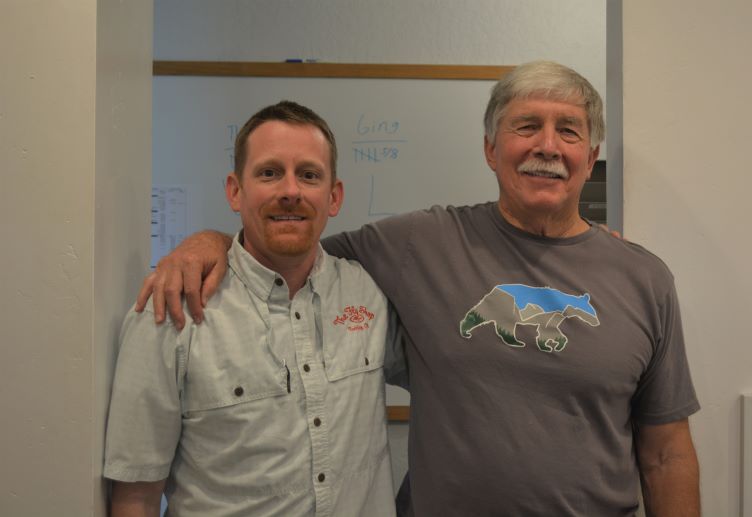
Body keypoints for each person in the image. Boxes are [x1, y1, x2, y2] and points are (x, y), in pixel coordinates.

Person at [139, 61, 701, 516]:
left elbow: (667, 454)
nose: (547, 146)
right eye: (526, 126)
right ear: (490, 148)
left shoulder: (642, 277)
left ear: (590, 157)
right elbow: (286, 246)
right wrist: (207, 240)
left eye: (568, 131)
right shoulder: (420, 243)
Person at [104, 101, 405, 516]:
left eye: (309, 175)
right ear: (234, 191)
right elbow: (135, 496)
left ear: (333, 196)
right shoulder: (170, 310)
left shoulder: (371, 292)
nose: (290, 191)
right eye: (268, 172)